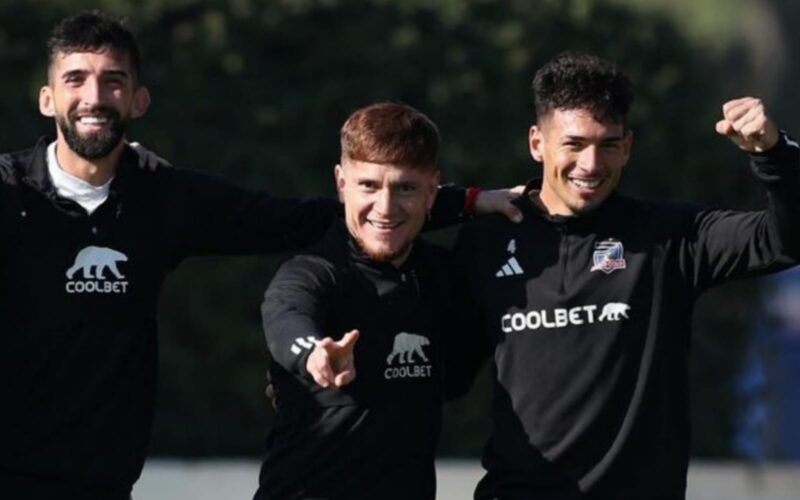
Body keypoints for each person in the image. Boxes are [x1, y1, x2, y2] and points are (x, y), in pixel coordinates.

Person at [0, 11, 516, 500]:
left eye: (112, 80)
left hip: (102, 482)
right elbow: (295, 301)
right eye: (75, 79)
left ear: (138, 100)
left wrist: (463, 203)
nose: (94, 96)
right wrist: (311, 353)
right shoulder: (8, 191)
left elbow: (311, 217)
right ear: (46, 98)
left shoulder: (163, 198)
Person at [453, 52, 800, 499]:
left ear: (628, 146)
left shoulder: (670, 237)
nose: (592, 164)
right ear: (537, 143)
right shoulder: (485, 242)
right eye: (574, 144)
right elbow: (445, 374)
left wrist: (773, 154)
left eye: (608, 145)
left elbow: (786, 240)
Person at [256, 102, 469, 500]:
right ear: (341, 183)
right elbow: (288, 318)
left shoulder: (447, 277)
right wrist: (314, 355)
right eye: (368, 185)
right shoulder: (312, 272)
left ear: (432, 190)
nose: (385, 208)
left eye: (405, 187)